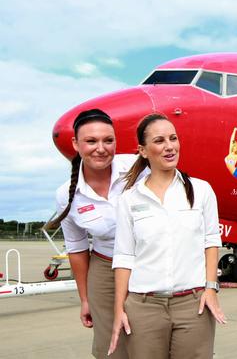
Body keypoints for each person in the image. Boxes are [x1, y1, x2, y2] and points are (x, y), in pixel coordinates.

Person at [108, 114, 227, 358]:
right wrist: (119, 309)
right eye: (160, 140)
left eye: (173, 138)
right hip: (144, 308)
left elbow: (211, 242)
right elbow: (123, 257)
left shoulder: (201, 191)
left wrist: (211, 289)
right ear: (143, 150)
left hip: (193, 305)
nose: (170, 146)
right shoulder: (129, 200)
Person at [49, 108, 136, 358]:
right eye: (91, 141)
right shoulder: (66, 194)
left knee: (148, 335)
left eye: (108, 140)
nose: (101, 148)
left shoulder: (138, 168)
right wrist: (85, 299)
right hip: (105, 268)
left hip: (147, 264)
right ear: (76, 144)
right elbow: (76, 248)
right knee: (111, 343)